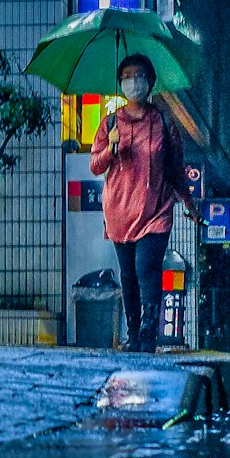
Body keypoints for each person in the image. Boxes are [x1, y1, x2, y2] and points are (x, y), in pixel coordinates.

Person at [87, 53, 198, 353]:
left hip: (156, 209)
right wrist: (111, 147)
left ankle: (149, 331)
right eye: (127, 76)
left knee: (146, 267)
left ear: (150, 82)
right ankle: (133, 333)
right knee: (128, 275)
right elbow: (96, 166)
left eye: (139, 76)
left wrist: (188, 202)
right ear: (120, 82)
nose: (133, 81)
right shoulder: (110, 123)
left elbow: (175, 168)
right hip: (120, 211)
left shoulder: (163, 121)